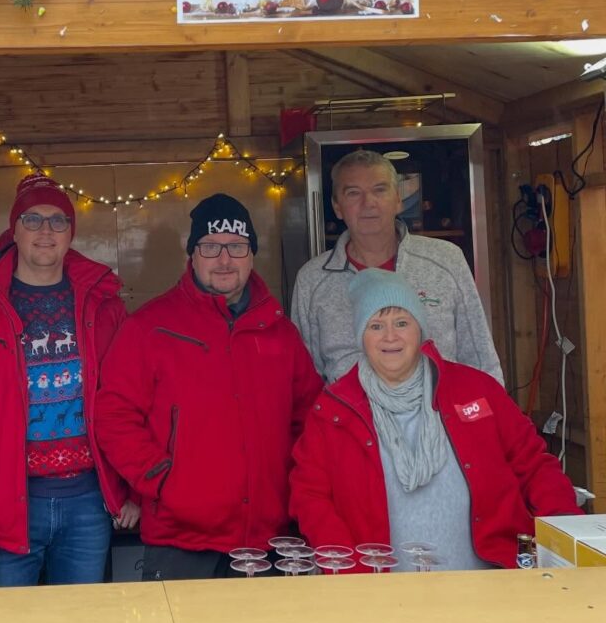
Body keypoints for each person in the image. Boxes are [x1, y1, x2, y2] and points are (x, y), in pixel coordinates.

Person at [94, 193, 322, 580]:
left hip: (266, 540)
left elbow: (309, 419)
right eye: (211, 246)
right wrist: (162, 478)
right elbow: (113, 416)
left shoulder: (279, 331)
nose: (224, 259)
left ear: (252, 255)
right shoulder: (151, 327)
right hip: (181, 539)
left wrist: (289, 487)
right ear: (193, 254)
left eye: (237, 246)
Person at [289, 269, 581, 571]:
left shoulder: (476, 390)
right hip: (381, 591)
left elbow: (533, 464)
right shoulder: (333, 410)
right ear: (361, 337)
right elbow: (309, 495)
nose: (390, 336)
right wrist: (349, 570)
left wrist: (568, 532)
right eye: (375, 326)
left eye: (402, 322)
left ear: (420, 329)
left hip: (489, 584)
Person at [0, 173, 137, 587]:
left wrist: (133, 490)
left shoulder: (104, 307)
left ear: (70, 232)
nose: (46, 231)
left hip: (88, 504)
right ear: (14, 231)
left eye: (58, 220)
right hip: (7, 508)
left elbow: (130, 402)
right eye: (32, 220)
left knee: (81, 621)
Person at [291, 149, 503, 384]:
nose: (368, 203)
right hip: (347, 408)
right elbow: (306, 380)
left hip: (441, 407)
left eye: (380, 190)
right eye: (353, 193)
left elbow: (481, 360)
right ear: (337, 207)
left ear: (398, 199)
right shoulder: (312, 279)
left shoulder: (445, 260)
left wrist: (492, 407)